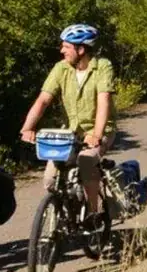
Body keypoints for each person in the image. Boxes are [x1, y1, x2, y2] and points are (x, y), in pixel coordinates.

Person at [20, 24, 116, 222]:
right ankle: (66, 212)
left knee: (87, 160)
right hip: (70, 133)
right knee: (50, 179)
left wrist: (97, 135)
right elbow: (43, 100)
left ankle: (93, 212)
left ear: (81, 49)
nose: (61, 50)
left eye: (66, 46)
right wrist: (27, 127)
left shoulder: (102, 67)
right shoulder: (61, 68)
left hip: (98, 129)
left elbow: (103, 100)